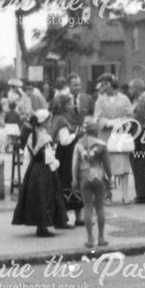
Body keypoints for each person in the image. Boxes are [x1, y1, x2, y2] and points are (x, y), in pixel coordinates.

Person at [12, 109, 69, 237]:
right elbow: (49, 158)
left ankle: (40, 225)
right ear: (43, 123)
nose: (50, 122)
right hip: (45, 171)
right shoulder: (46, 137)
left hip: (33, 170)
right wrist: (56, 164)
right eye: (49, 120)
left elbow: (27, 156)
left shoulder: (32, 136)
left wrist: (27, 173)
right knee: (46, 198)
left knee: (36, 199)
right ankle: (43, 227)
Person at [93, 73, 134, 204]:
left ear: (113, 83)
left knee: (123, 166)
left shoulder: (124, 98)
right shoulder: (100, 100)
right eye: (102, 84)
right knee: (105, 166)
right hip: (105, 136)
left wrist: (122, 121)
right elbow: (96, 118)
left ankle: (125, 195)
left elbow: (130, 115)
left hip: (120, 136)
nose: (103, 87)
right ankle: (107, 195)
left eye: (106, 83)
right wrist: (107, 123)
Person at [73, 117, 112, 248]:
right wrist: (110, 178)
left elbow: (75, 164)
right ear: (96, 131)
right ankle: (101, 237)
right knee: (100, 206)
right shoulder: (102, 145)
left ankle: (90, 238)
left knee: (87, 207)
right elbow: (107, 164)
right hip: (98, 174)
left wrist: (74, 179)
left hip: (84, 175)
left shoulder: (79, 144)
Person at [49, 94, 84, 225]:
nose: (72, 106)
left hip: (61, 154)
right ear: (63, 106)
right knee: (70, 181)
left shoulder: (56, 118)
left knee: (66, 183)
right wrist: (75, 134)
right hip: (66, 155)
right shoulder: (62, 121)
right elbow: (64, 141)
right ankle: (73, 217)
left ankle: (74, 217)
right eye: (69, 104)